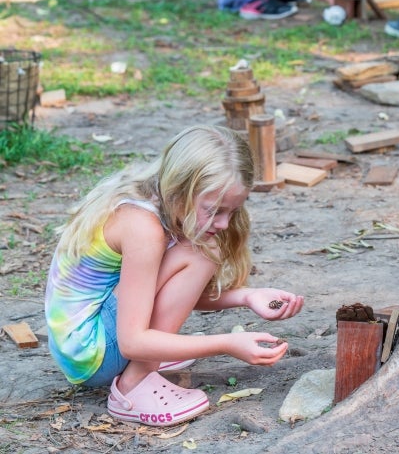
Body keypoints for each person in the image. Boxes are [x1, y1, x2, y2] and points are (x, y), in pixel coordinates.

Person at [45, 125, 304, 428]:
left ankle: (150, 359)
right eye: (214, 210)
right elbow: (132, 342)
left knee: (199, 250)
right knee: (199, 252)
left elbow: (162, 291)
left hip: (85, 344)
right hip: (92, 354)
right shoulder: (143, 228)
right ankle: (132, 387)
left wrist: (247, 296)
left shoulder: (157, 199)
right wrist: (227, 343)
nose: (223, 223)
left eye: (233, 212)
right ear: (181, 189)